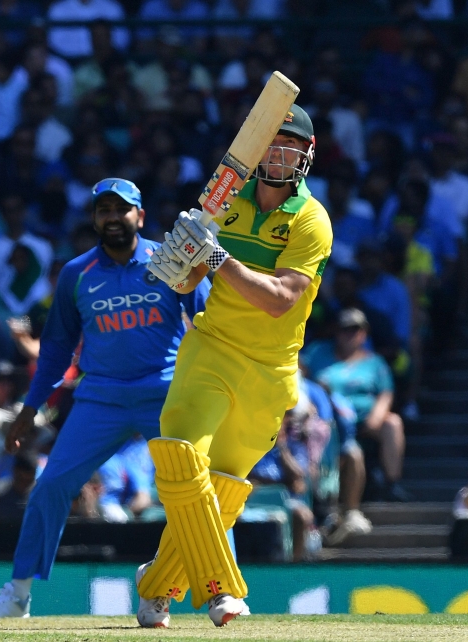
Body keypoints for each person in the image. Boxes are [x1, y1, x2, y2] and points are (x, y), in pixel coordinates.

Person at [0, 178, 209, 626]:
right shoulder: (76, 273)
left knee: (198, 490)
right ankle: (17, 595)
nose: (113, 218)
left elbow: (209, 320)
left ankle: (215, 590)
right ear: (94, 218)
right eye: (104, 210)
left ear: (140, 215)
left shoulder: (170, 258)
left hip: (166, 392)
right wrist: (28, 408)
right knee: (51, 486)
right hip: (101, 397)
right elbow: (57, 350)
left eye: (123, 210)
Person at [142, 104, 331, 626]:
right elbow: (184, 283)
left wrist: (217, 256)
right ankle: (222, 589)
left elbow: (278, 300)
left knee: (223, 488)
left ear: (306, 154)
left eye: (290, 145)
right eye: (272, 142)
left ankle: (157, 584)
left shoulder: (311, 221)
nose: (277, 152)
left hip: (271, 370)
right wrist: (179, 257)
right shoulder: (225, 201)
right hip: (213, 347)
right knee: (180, 457)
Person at [315, 309, 409, 502]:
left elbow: (386, 392)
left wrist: (376, 416)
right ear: (336, 331)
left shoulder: (375, 362)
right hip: (328, 419)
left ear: (363, 333)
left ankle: (392, 484)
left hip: (364, 419)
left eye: (355, 329)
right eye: (345, 329)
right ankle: (324, 497)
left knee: (393, 423)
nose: (349, 334)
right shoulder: (318, 352)